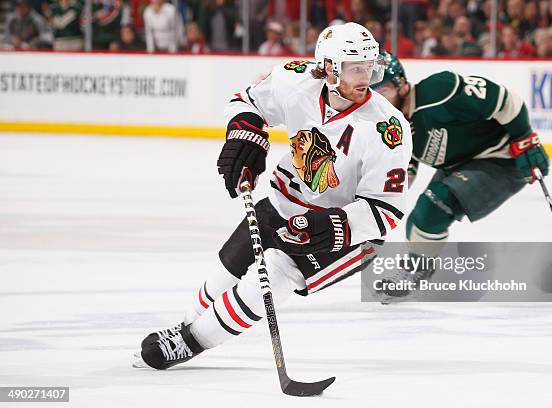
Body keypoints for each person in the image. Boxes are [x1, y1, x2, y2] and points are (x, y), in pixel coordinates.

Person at [135, 22, 411, 370]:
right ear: (328, 67)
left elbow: (385, 210)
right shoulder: (296, 81)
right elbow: (247, 101)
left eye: (369, 67)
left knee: (273, 275)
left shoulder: (387, 129)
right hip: (282, 203)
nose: (365, 76)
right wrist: (245, 137)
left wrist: (332, 225)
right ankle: (187, 326)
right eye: (355, 68)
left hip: (346, 236)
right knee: (224, 272)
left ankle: (192, 341)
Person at [370, 51, 549, 301]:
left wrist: (525, 139)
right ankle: (418, 268)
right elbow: (405, 169)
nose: (376, 101)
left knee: (433, 206)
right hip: (461, 163)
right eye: (370, 94)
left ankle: (418, 269)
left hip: (502, 158)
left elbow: (505, 100)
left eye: (381, 91)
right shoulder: (393, 124)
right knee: (420, 221)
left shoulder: (438, 90)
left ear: (401, 84)